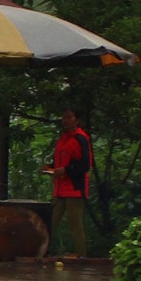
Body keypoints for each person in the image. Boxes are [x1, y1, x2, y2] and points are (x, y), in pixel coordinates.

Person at [49, 108, 93, 257]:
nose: (65, 120)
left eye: (69, 117)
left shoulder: (81, 138)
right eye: (64, 117)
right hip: (60, 189)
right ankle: (43, 251)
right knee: (50, 222)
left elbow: (85, 164)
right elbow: (59, 161)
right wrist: (50, 167)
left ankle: (82, 256)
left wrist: (66, 170)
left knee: (75, 224)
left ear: (76, 120)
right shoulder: (63, 138)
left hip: (74, 188)